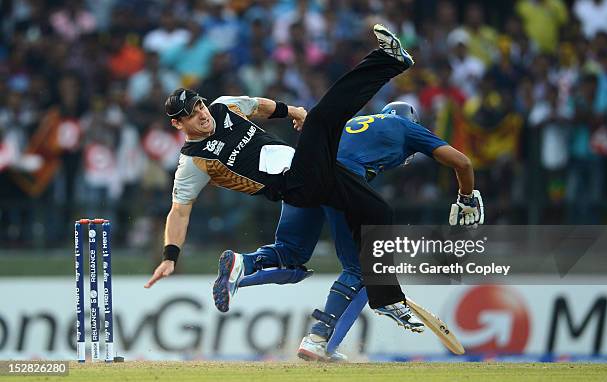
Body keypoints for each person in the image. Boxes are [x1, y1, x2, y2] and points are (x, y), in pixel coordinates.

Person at [144, 25, 484, 338]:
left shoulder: (222, 107)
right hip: (294, 186)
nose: (200, 115)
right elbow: (180, 211)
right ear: (178, 124)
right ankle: (389, 60)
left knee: (379, 212)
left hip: (312, 170)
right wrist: (170, 256)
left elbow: (258, 105)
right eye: (190, 115)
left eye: (199, 106)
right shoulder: (193, 160)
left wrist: (293, 111)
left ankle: (386, 299)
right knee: (323, 119)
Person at [217, 102, 480, 361]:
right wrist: (466, 197)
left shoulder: (356, 123)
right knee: (359, 268)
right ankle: (318, 338)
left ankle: (242, 265)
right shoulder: (405, 126)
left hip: (298, 173)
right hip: (338, 179)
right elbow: (463, 163)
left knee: (290, 254)